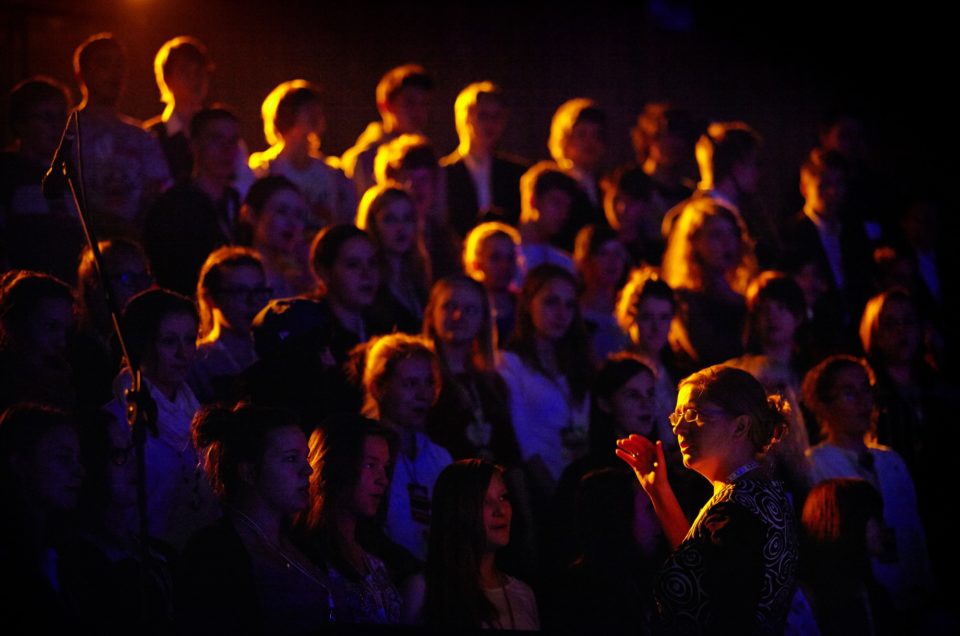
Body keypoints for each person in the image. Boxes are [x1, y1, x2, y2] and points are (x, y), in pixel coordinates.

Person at [617, 365, 798, 634]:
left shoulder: (736, 510)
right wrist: (658, 490)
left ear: (740, 426)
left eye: (692, 414)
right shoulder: (752, 492)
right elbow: (702, 571)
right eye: (676, 416)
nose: (679, 427)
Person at [177, 403, 331, 634]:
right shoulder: (214, 554)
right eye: (291, 459)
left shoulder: (303, 543)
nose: (307, 471)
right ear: (248, 471)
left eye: (306, 458)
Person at [802, 354, 934, 613]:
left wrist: (928, 588)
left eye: (866, 389)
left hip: (913, 600)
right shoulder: (814, 464)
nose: (864, 402)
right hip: (862, 604)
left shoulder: (891, 461)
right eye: (849, 393)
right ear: (824, 405)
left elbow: (914, 532)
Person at [105, 288, 219, 550]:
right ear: (142, 344)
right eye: (169, 342)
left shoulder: (199, 415)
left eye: (190, 340)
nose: (183, 353)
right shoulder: (118, 422)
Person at [59, 409, 175, 633]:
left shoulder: (153, 549)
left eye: (131, 450)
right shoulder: (82, 562)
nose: (133, 463)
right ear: (91, 465)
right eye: (118, 455)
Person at [298, 414, 405, 625]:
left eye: (385, 467)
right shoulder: (304, 557)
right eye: (370, 465)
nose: (382, 479)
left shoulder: (374, 552)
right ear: (337, 465)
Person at [498, 264, 592, 498]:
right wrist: (553, 493)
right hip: (542, 489)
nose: (562, 314)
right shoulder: (511, 363)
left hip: (582, 485)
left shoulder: (578, 363)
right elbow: (524, 441)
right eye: (551, 302)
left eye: (569, 305)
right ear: (529, 304)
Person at [362, 333, 452, 562]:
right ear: (378, 388)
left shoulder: (439, 458)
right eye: (411, 384)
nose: (423, 395)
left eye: (429, 382)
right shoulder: (363, 456)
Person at [72, 33, 169, 239]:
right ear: (82, 73)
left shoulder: (141, 136)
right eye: (104, 63)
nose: (115, 72)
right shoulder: (67, 133)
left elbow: (156, 191)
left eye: (120, 65)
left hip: (133, 244)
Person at [423, 459, 540, 630]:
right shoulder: (425, 590)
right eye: (485, 500)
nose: (500, 510)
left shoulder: (524, 594)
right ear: (458, 508)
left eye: (503, 497)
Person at [726, 271, 813, 499]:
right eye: (764, 310)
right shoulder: (736, 373)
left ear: (798, 315)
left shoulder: (810, 374)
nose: (772, 317)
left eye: (781, 308)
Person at [0, 404, 84, 631]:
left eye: (78, 459)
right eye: (63, 458)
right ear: (21, 464)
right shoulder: (11, 560)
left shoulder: (59, 550)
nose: (79, 471)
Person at [143, 106, 243, 296]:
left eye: (233, 141)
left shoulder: (235, 202)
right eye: (216, 139)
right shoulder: (172, 206)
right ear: (194, 145)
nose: (227, 149)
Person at [422, 274, 520, 465]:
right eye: (449, 306)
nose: (459, 316)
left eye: (470, 310)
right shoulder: (421, 380)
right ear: (432, 314)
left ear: (483, 320)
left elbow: (511, 455)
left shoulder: (493, 383)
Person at [0, 76, 85, 282]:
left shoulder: (71, 172)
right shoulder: (6, 171)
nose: (56, 126)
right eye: (46, 117)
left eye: (60, 117)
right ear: (20, 124)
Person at [662, 196, 758, 367]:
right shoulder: (684, 300)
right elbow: (711, 353)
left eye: (732, 233)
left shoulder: (745, 296)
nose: (727, 242)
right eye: (716, 235)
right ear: (694, 241)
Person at [248, 80, 357, 229]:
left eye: (316, 109)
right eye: (305, 108)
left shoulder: (332, 173)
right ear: (286, 113)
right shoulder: (264, 169)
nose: (314, 113)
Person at [800, 478, 899, 635]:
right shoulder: (807, 602)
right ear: (851, 520)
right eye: (877, 516)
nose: (884, 526)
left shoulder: (869, 589)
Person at [441, 82, 527, 235]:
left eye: (497, 117)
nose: (490, 124)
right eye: (483, 116)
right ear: (465, 118)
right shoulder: (443, 174)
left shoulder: (518, 173)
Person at [373, 133, 461, 279]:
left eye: (424, 179)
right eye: (407, 178)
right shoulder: (379, 238)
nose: (416, 187)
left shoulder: (444, 238)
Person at [188, 246, 269, 404]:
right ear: (210, 297)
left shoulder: (275, 351)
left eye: (259, 290)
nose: (253, 301)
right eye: (239, 291)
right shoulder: (196, 361)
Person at [342, 64, 434, 196]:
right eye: (409, 103)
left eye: (424, 104)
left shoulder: (428, 157)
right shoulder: (361, 160)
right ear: (385, 105)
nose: (418, 112)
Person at [356, 183, 431, 334]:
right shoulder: (367, 281)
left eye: (407, 218)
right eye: (389, 219)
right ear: (373, 224)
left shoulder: (417, 277)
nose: (400, 228)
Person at [0, 270, 76, 411]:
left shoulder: (62, 378)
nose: (62, 342)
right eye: (51, 327)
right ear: (14, 323)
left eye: (66, 330)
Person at [143, 36, 212, 182]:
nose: (194, 79)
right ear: (167, 79)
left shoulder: (220, 131)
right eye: (185, 71)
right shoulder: (151, 136)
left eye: (199, 71)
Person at [547, 98, 608, 250]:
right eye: (582, 134)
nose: (590, 142)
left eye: (596, 135)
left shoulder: (605, 185)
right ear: (564, 138)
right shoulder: (555, 185)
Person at [239, 175, 313, 298]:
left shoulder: (303, 275)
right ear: (252, 215)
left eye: (299, 215)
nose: (292, 222)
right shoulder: (238, 276)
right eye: (281, 211)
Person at [573, 224, 631, 363]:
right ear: (586, 259)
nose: (613, 261)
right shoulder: (573, 312)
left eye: (618, 254)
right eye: (603, 253)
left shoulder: (629, 310)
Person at [517, 162, 580, 279]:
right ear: (533, 201)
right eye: (556, 203)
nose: (563, 213)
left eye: (567, 206)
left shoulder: (564, 264)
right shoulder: (504, 256)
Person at [462, 221, 521, 346]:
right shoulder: (465, 306)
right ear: (477, 262)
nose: (504, 266)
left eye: (510, 258)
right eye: (495, 258)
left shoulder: (525, 306)